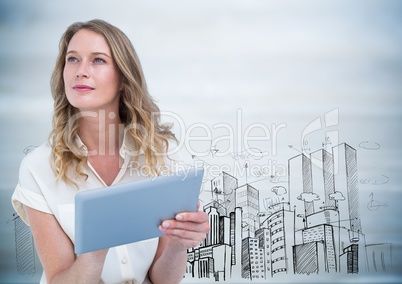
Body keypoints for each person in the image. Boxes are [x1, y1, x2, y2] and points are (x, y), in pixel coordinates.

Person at [11, 19, 209, 284]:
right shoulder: (37, 168)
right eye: (72, 59)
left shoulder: (164, 156)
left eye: (98, 60)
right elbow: (58, 279)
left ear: (124, 79)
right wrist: (94, 251)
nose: (81, 71)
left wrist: (178, 243)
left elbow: (163, 280)